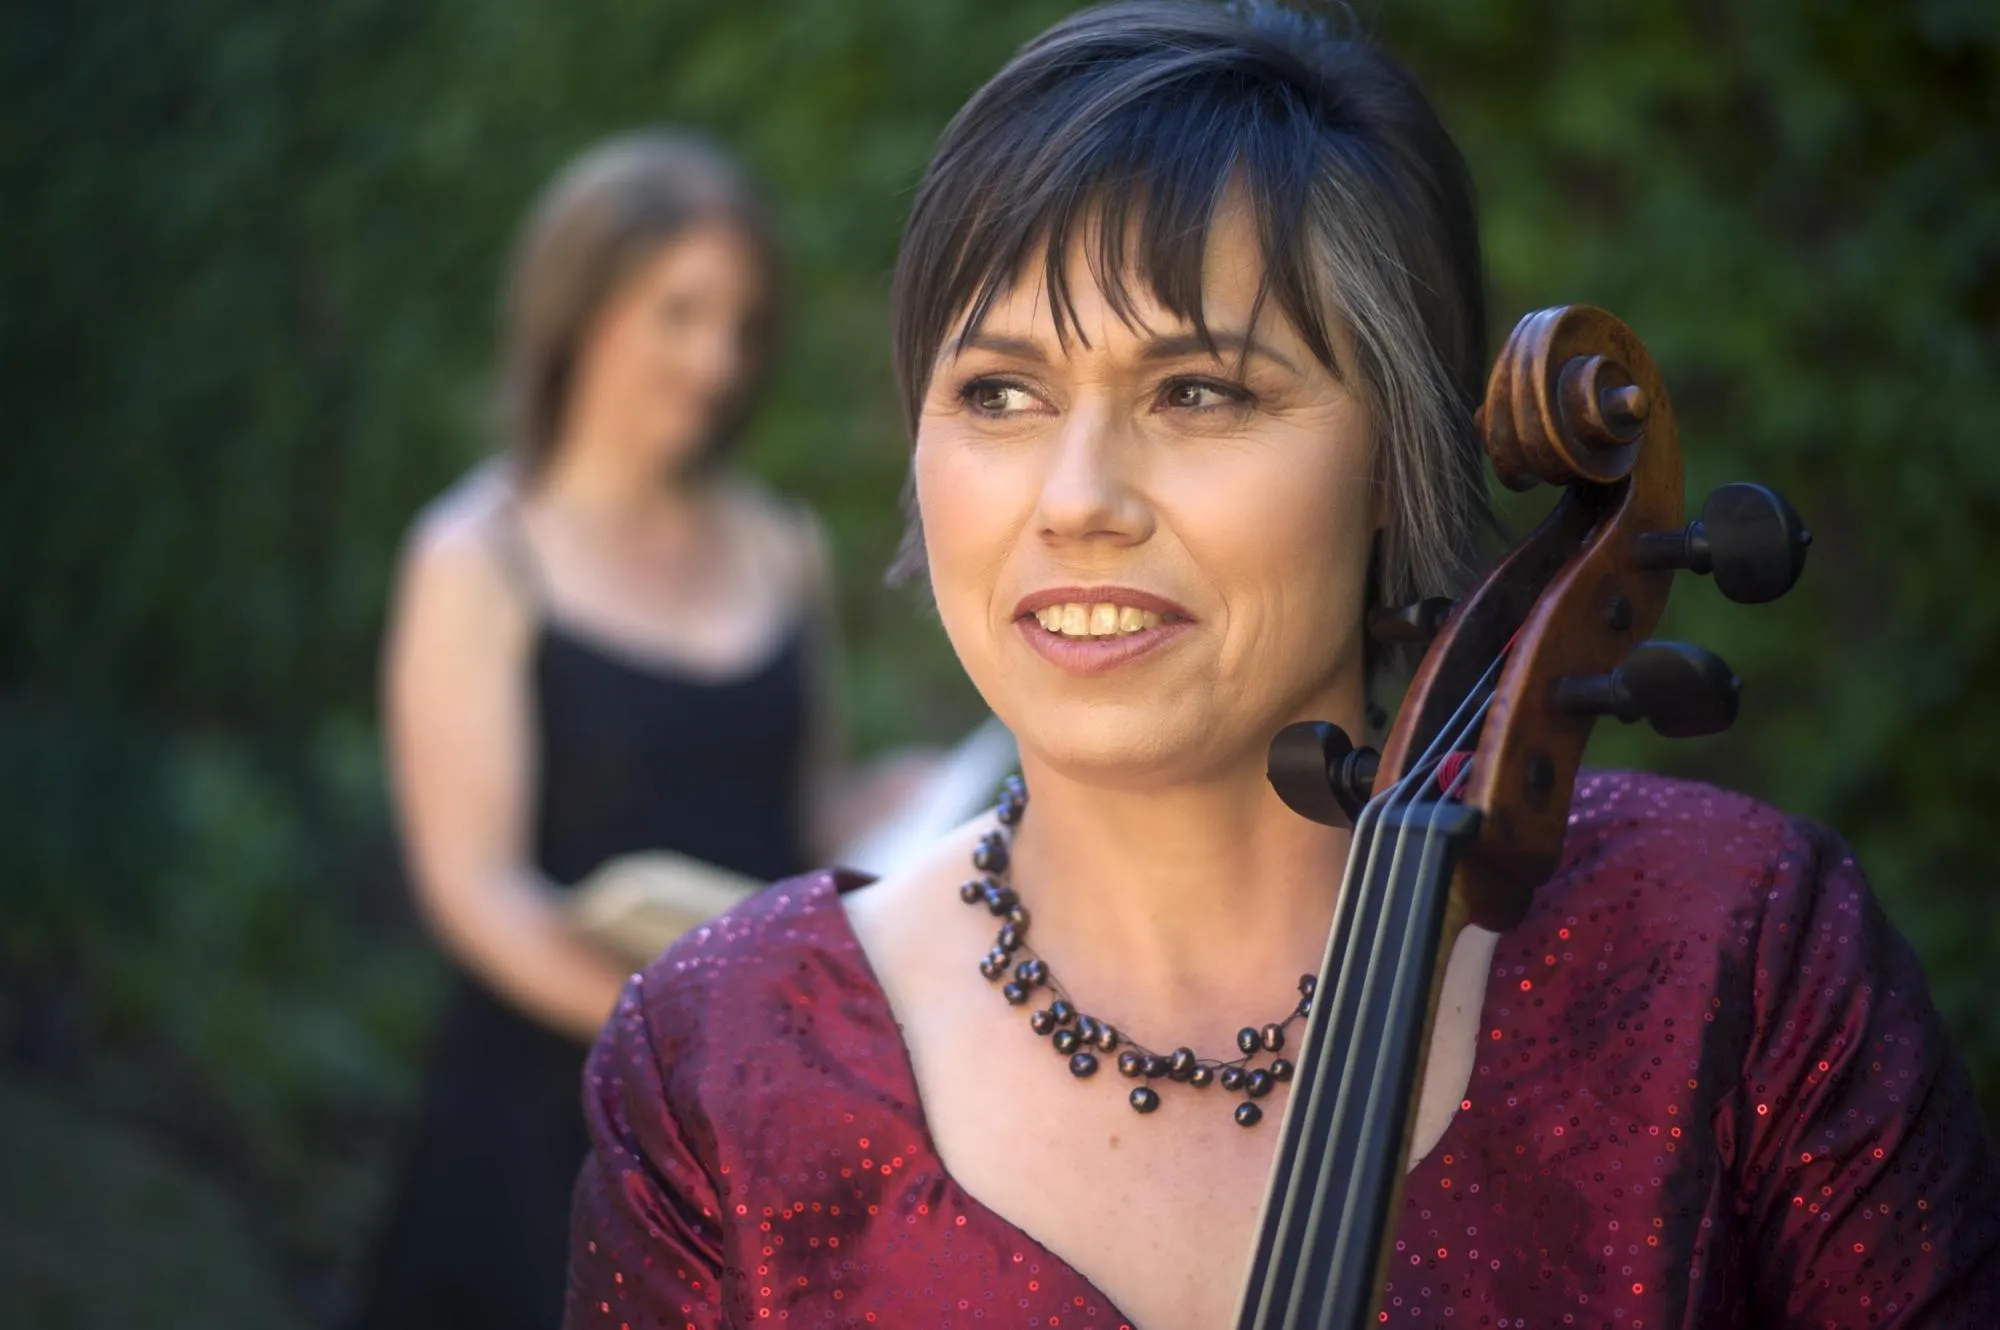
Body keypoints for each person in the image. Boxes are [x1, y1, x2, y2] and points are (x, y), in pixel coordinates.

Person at [562, 6, 2000, 1328]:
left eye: (1200, 391)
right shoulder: (720, 1062)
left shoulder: (1730, 954)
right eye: (998, 392)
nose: (1077, 498)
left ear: (1393, 456)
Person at [360, 130, 917, 1330]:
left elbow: (796, 808)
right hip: (546, 1127)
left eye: (742, 323)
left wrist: (901, 802)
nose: (717, 358)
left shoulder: (781, 543)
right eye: (679, 312)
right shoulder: (475, 557)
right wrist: (679, 1052)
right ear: (579, 309)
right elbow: (474, 888)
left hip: (762, 1117)